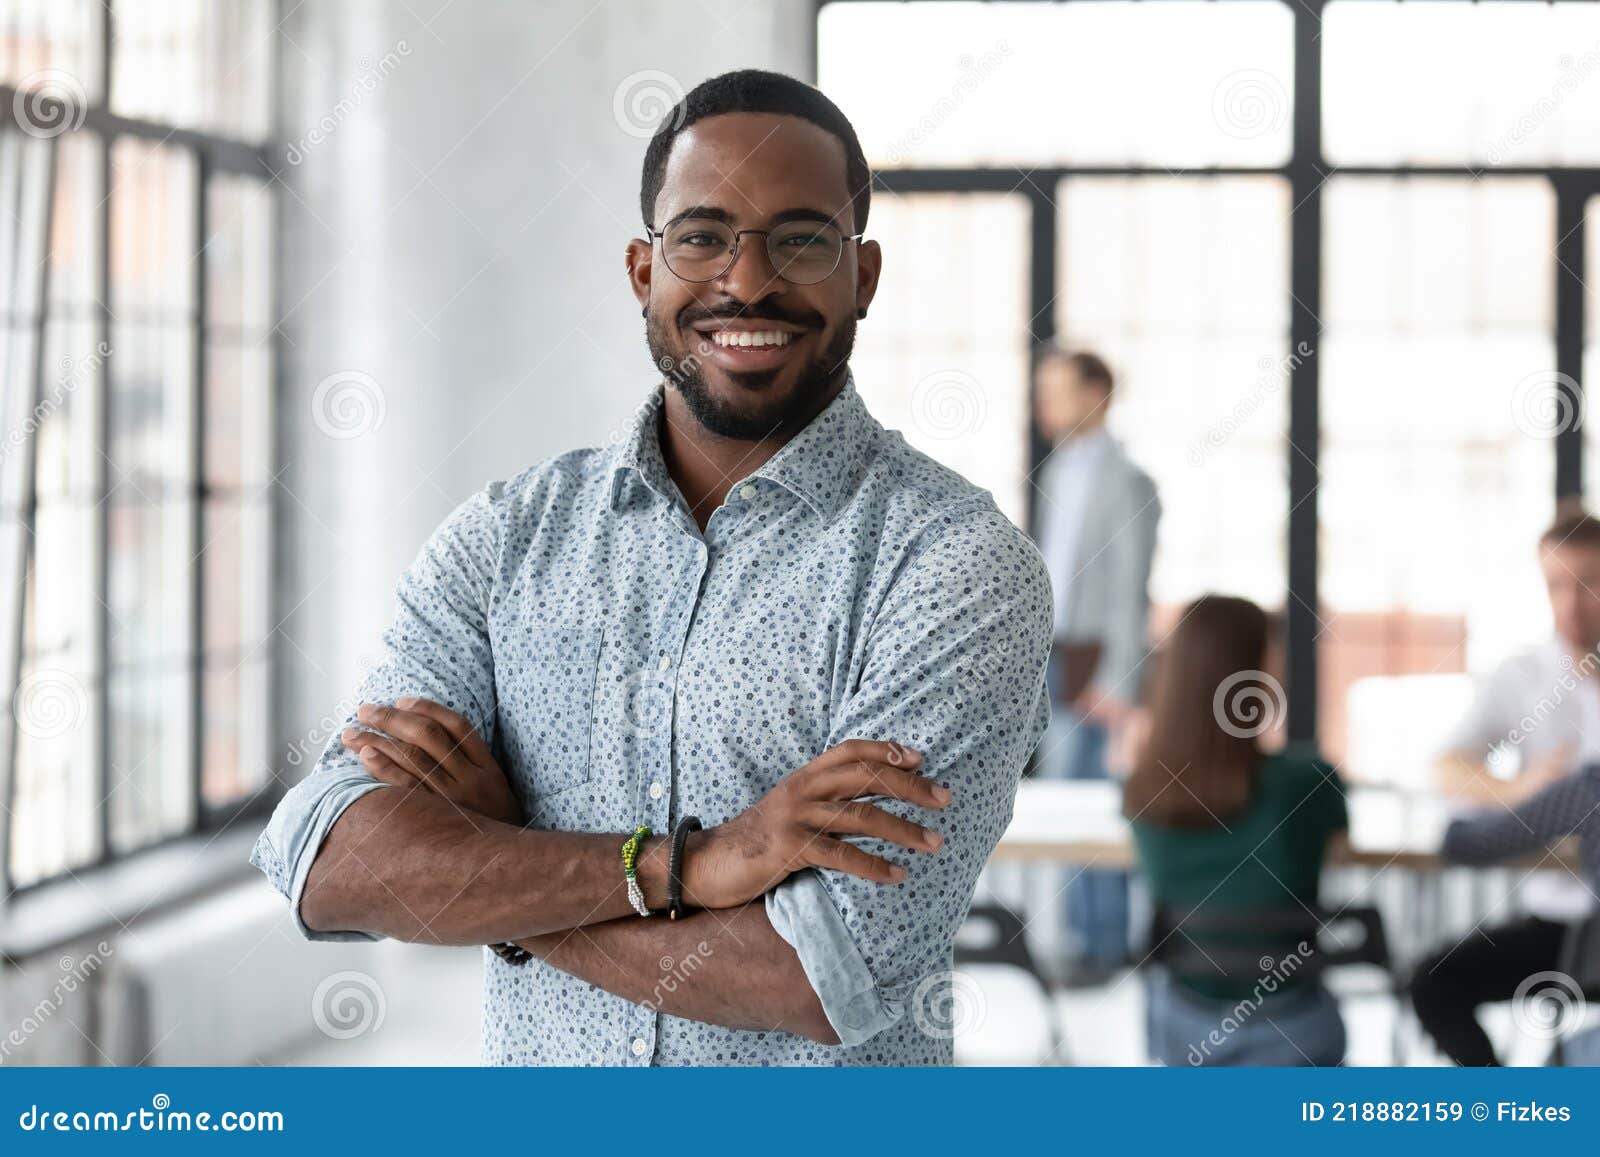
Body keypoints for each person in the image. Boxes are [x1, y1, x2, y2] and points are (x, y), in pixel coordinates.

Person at [249, 70, 1053, 1066]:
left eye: (800, 239)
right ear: (643, 270)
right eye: (702, 236)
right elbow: (326, 858)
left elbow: (820, 974)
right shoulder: (506, 537)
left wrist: (501, 875)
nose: (747, 281)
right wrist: (690, 864)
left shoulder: (953, 563)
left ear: (864, 276)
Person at [1410, 506, 1600, 1065]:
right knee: (1434, 983)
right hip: (1557, 924)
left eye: (1589, 583)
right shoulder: (1523, 676)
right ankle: (1502, 1116)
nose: (1571, 603)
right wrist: (1527, 792)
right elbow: (1446, 765)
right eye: (1556, 585)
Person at [1124, 595, 1349, 1066]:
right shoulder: (1307, 782)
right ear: (1255, 674)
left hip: (1185, 1033)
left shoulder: (1143, 791)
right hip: (1295, 1032)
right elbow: (1340, 848)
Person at [1031, 347, 1159, 984]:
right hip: (1054, 654)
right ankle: (1083, 937)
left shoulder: (1127, 481)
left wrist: (1120, 684)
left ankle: (1107, 947)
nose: (1044, 404)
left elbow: (1130, 589)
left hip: (1099, 661)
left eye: (1056, 390)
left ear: (1096, 395)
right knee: (1060, 801)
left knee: (1099, 806)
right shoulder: (1057, 473)